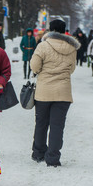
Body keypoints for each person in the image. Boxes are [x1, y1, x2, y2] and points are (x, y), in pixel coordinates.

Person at [30, 19, 80, 167]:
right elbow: (71, 69)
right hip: (63, 93)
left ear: (50, 30)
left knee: (41, 124)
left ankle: (38, 153)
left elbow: (34, 66)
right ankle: (53, 158)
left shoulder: (43, 46)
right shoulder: (71, 48)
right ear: (65, 31)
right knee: (57, 126)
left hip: (44, 92)